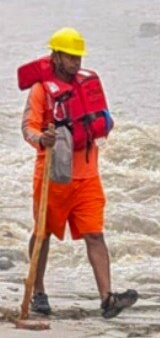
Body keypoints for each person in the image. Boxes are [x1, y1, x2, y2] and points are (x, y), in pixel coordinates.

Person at [17, 28, 139, 318]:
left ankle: (107, 298)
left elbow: (103, 118)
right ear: (56, 56)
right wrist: (41, 140)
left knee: (95, 234)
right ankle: (38, 291)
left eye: (78, 56)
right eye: (70, 57)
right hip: (52, 176)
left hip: (88, 176)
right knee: (43, 233)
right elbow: (27, 127)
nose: (75, 62)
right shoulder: (41, 89)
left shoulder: (89, 83)